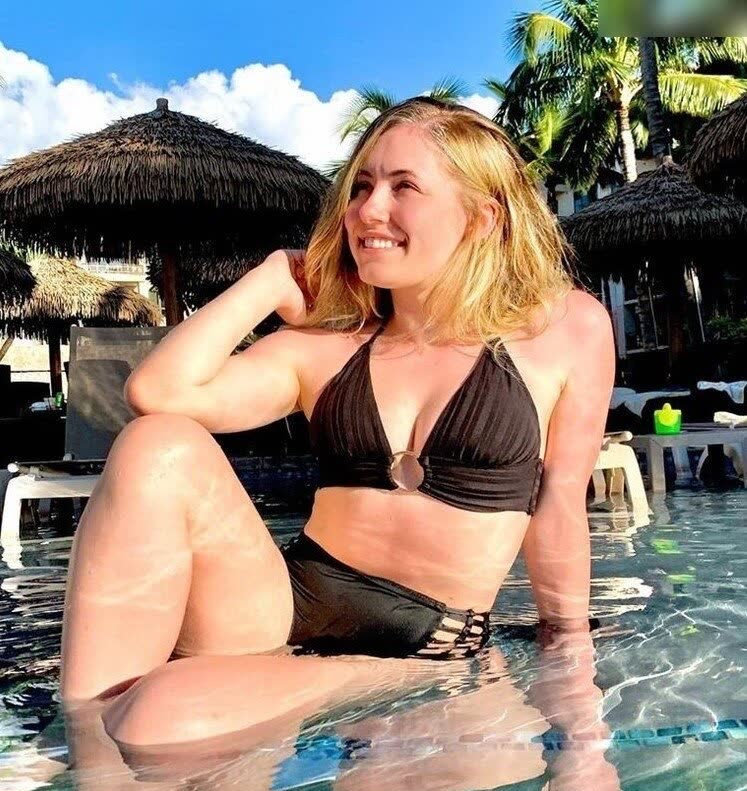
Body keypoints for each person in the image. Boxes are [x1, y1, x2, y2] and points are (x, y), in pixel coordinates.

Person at [59, 96, 615, 744]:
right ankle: (81, 748)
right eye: (361, 187)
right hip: (285, 603)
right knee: (155, 443)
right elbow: (156, 392)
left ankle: (143, 767)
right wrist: (271, 279)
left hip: (419, 639)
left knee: (161, 709)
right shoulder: (328, 347)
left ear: (481, 216)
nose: (367, 210)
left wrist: (572, 674)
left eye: (402, 187)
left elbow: (558, 504)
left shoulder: (562, 328)